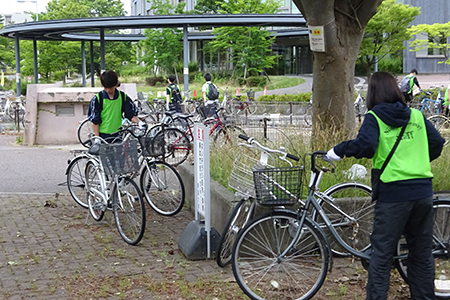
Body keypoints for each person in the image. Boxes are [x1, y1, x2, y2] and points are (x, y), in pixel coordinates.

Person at [326, 71, 444, 300]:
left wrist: (339, 150)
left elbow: (366, 145)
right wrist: (416, 160)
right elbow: (437, 143)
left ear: (373, 94)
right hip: (422, 191)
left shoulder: (375, 117)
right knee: (421, 254)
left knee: (381, 256)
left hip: (393, 195)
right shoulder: (416, 116)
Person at [88, 70, 140, 143]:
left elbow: (130, 114)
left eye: (110, 87)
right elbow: (95, 121)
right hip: (102, 136)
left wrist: (139, 123)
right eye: (105, 87)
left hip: (117, 135)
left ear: (116, 85)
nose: (108, 90)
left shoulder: (123, 97)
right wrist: (97, 138)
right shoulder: (98, 99)